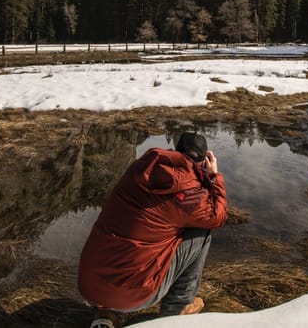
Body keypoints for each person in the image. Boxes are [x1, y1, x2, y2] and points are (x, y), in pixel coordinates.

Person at [77, 132, 228, 328]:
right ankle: (178, 307)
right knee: (202, 231)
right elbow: (218, 217)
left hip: (90, 286)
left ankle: (106, 312)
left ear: (175, 152)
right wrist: (213, 178)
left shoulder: (140, 169)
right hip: (133, 295)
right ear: (202, 161)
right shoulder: (189, 192)